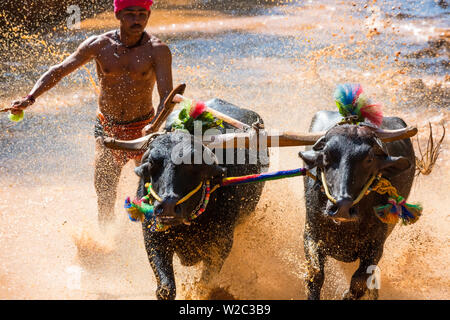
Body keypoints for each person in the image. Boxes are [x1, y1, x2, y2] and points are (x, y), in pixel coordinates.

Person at [10, 0, 173, 228]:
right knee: (105, 194)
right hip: (108, 128)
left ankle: (147, 235)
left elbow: (167, 95)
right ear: (118, 15)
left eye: (141, 14)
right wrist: (30, 98)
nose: (137, 20)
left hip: (144, 128)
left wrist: (155, 125)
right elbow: (59, 71)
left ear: (148, 14)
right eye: (130, 14)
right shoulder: (99, 45)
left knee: (152, 189)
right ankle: (106, 243)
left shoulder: (158, 50)